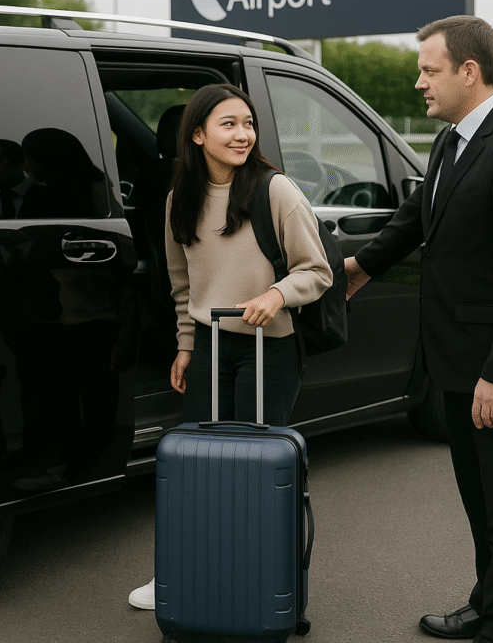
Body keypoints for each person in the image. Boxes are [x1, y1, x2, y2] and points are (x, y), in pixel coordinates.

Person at [345, 16, 493, 643]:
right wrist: (358, 266)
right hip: (453, 361)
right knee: (479, 499)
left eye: (429, 70)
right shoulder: (450, 141)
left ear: (468, 71)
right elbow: (416, 217)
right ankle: (487, 601)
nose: (418, 82)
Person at [128, 83, 333, 610]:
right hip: (210, 347)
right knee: (197, 466)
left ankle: (259, 573)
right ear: (196, 135)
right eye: (228, 124)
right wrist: (185, 345)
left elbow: (317, 271)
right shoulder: (180, 199)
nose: (243, 134)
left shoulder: (275, 190)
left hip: (270, 349)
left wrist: (277, 294)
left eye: (248, 123)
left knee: (254, 469)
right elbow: (183, 284)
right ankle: (183, 569)